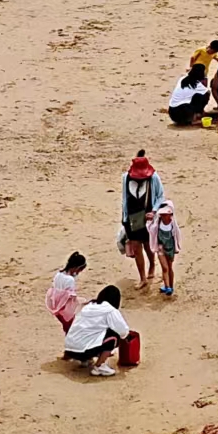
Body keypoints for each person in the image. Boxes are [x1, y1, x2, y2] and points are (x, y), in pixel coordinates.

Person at [63, 285, 130, 377]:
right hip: (83, 350)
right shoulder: (109, 310)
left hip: (70, 349)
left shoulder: (88, 306)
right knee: (114, 336)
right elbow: (123, 331)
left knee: (93, 332)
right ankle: (99, 366)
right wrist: (126, 338)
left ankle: (85, 360)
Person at [120, 152, 164, 289]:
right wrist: (124, 218)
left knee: (148, 245)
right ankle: (142, 278)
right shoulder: (125, 178)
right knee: (136, 248)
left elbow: (160, 196)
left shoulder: (154, 178)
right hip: (132, 219)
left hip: (147, 218)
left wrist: (154, 211)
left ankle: (152, 265)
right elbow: (125, 199)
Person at [45, 251, 87, 333]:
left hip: (55, 304)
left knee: (67, 326)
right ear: (77, 268)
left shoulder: (58, 274)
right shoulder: (70, 280)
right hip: (65, 307)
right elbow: (71, 297)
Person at [153, 199, 181, 296]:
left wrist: (177, 248)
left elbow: (177, 236)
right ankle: (167, 287)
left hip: (170, 248)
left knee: (169, 267)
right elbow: (152, 230)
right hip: (161, 248)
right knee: (165, 268)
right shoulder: (158, 222)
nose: (164, 216)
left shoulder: (173, 224)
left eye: (166, 214)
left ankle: (170, 286)